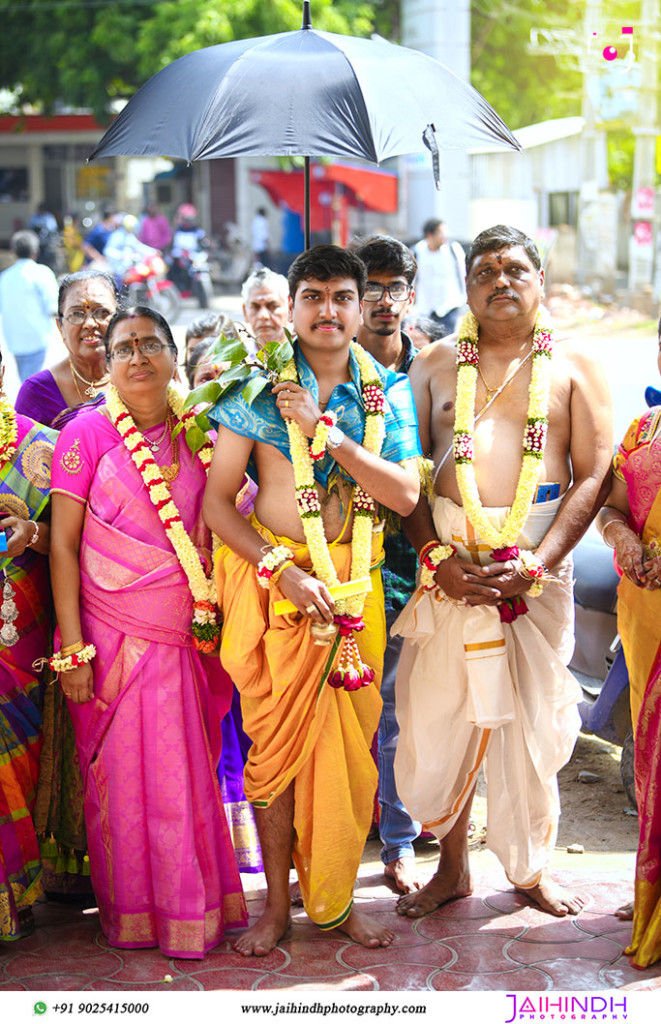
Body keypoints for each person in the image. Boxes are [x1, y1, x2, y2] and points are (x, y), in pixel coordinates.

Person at [203, 244, 422, 956]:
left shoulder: (386, 391)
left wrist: (323, 433)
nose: (327, 311)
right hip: (279, 594)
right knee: (274, 754)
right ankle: (274, 907)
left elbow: (404, 494)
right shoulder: (254, 391)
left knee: (350, 753)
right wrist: (282, 570)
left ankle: (336, 900)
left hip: (356, 595)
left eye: (341, 297)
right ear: (292, 308)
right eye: (313, 296)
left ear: (361, 310)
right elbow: (216, 505)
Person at [393, 224, 613, 919]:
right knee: (444, 717)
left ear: (538, 279)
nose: (501, 281)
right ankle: (451, 869)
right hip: (451, 564)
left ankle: (529, 868)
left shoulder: (574, 364)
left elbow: (594, 474)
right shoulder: (431, 364)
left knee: (529, 718)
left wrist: (539, 566)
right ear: (465, 288)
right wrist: (435, 557)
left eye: (515, 268)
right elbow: (405, 478)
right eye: (484, 270)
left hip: (536, 562)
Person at [48, 306, 247, 957]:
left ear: (173, 356)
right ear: (107, 363)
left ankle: (195, 908)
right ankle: (136, 913)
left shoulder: (201, 430)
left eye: (151, 344)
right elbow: (64, 548)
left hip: (190, 640)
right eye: (124, 347)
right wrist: (72, 650)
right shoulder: (86, 435)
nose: (138, 357)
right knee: (123, 787)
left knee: (187, 779)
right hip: (111, 644)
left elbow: (234, 511)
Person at [351, 234, 421, 895]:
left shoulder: (429, 374)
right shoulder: (322, 373)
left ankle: (398, 842)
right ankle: (336, 838)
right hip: (339, 566)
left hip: (414, 564)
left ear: (412, 296)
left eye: (394, 286)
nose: (382, 300)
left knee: (400, 709)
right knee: (344, 709)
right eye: (368, 288)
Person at [596, 322, 661, 969]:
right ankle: (650, 888)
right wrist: (625, 540)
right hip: (645, 616)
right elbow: (611, 507)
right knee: (649, 757)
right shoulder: (644, 431)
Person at [0, 349, 57, 940]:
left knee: (13, 762)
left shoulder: (36, 447)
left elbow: (74, 540)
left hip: (19, 635)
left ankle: (14, 893)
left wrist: (31, 533)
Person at [15, 270, 118, 430]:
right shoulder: (37, 392)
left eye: (102, 312)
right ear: (60, 327)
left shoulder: (138, 375)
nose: (90, 323)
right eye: (77, 314)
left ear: (119, 321)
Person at [0, 230, 58, 382]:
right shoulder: (42, 273)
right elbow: (53, 307)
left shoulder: (4, 277)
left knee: (26, 380)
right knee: (32, 385)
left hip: (14, 341)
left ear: (13, 252)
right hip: (37, 338)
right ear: (35, 251)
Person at [412, 219, 466, 335]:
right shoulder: (418, 250)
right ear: (429, 235)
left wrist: (465, 298)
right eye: (441, 233)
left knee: (447, 341)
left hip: (449, 305)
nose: (445, 236)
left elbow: (463, 274)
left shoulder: (453, 249)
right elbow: (413, 279)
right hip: (425, 308)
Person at [241, 268, 289, 350]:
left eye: (273, 306)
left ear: (290, 308)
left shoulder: (306, 355)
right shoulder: (236, 359)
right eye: (255, 307)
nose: (263, 316)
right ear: (245, 312)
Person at [29, 203, 60, 272]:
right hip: (38, 241)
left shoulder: (49, 217)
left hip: (48, 242)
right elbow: (31, 226)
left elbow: (52, 228)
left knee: (48, 258)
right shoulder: (35, 217)